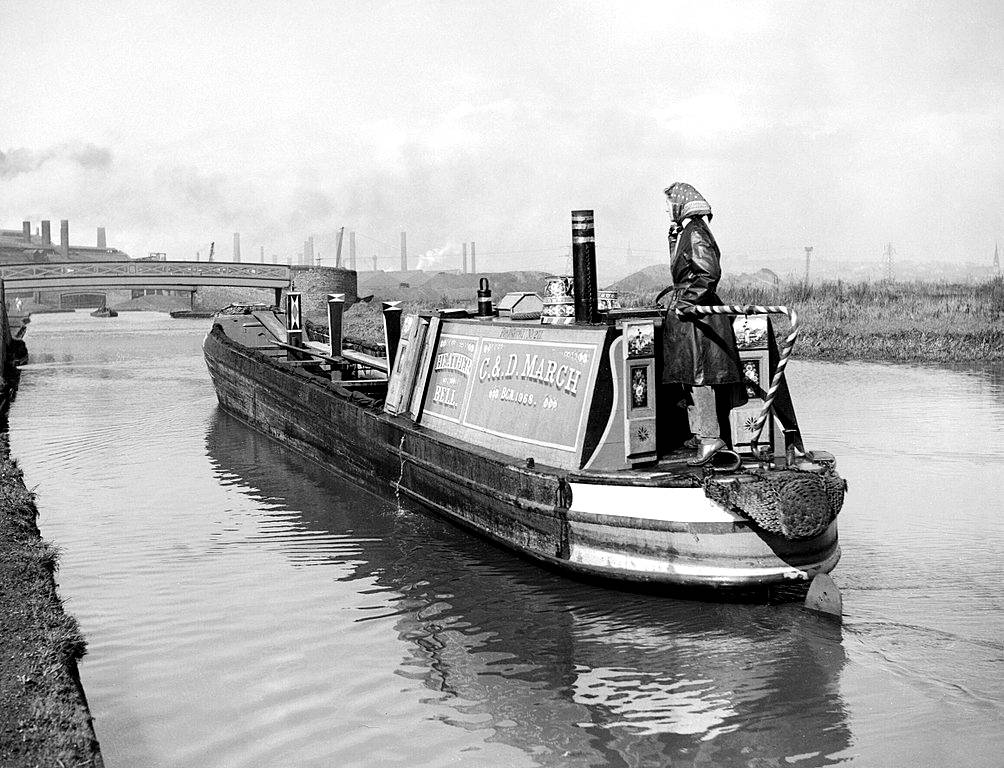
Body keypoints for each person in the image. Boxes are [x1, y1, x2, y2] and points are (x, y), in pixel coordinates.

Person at [661, 182, 748, 465]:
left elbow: (708, 272)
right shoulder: (687, 231)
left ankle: (711, 437)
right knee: (689, 376)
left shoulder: (695, 232)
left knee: (700, 377)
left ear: (680, 204)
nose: (666, 209)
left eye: (668, 203)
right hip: (689, 313)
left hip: (696, 316)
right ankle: (700, 433)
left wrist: (687, 302)